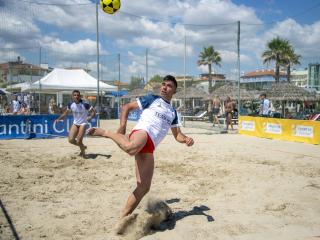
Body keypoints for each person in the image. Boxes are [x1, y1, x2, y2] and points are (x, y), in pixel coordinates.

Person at [87, 75, 194, 219]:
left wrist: (186, 139)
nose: (164, 87)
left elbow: (178, 135)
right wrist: (122, 126)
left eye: (169, 85)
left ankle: (123, 218)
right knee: (131, 148)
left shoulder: (173, 112)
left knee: (144, 186)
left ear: (175, 90)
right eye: (163, 84)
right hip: (143, 132)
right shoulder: (152, 99)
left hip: (150, 146)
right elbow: (127, 107)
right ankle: (106, 132)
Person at [54, 90, 96, 157]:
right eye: (75, 95)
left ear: (80, 96)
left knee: (79, 141)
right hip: (75, 123)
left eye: (77, 95)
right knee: (70, 140)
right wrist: (58, 119)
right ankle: (83, 146)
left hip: (83, 124)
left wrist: (90, 117)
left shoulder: (85, 104)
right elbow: (65, 113)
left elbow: (94, 111)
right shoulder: (70, 104)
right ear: (72, 96)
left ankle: (83, 153)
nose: (76, 96)